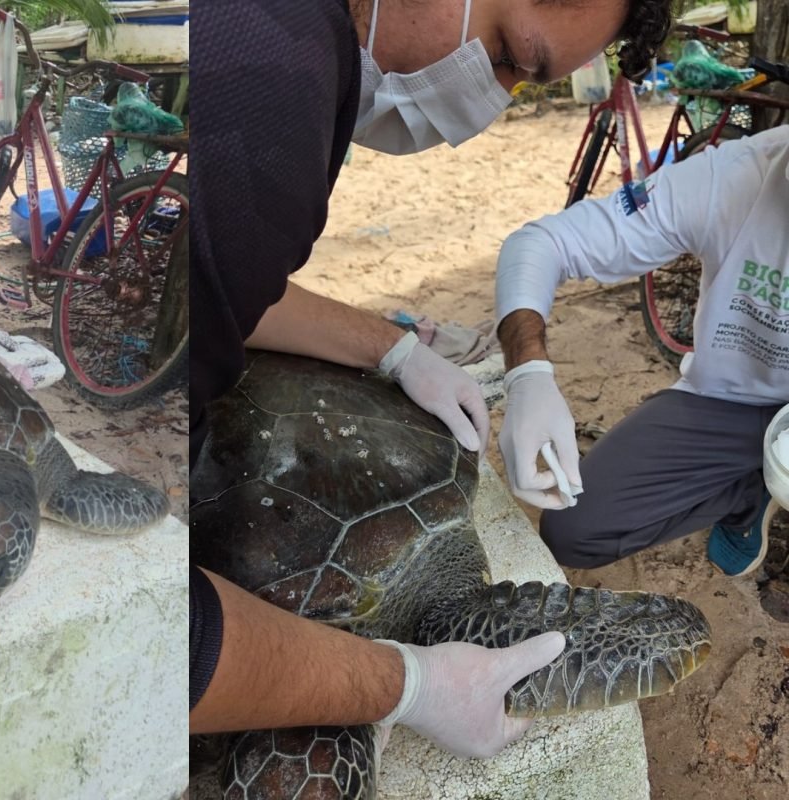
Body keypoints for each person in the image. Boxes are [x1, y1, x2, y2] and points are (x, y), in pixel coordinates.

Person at [190, 0, 672, 760]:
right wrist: (404, 684)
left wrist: (394, 350)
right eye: (511, 53)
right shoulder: (271, 86)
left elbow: (224, 286)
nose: (495, 94)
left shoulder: (290, 49)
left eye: (523, 82)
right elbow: (162, 636)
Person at [496, 123, 789, 579]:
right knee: (576, 528)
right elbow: (542, 243)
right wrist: (527, 373)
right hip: (731, 400)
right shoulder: (735, 176)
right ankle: (748, 495)